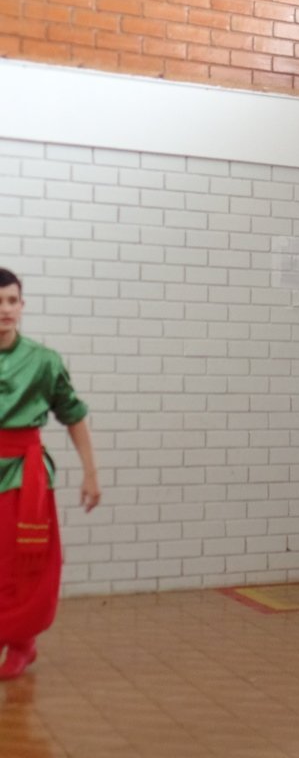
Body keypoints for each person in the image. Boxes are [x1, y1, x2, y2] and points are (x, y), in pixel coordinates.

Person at [0, 268, 101, 680]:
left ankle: (22, 642)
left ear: (22, 305)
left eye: (11, 300)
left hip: (23, 475)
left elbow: (73, 415)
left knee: (21, 561)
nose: (5, 309)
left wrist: (90, 472)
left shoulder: (44, 361)